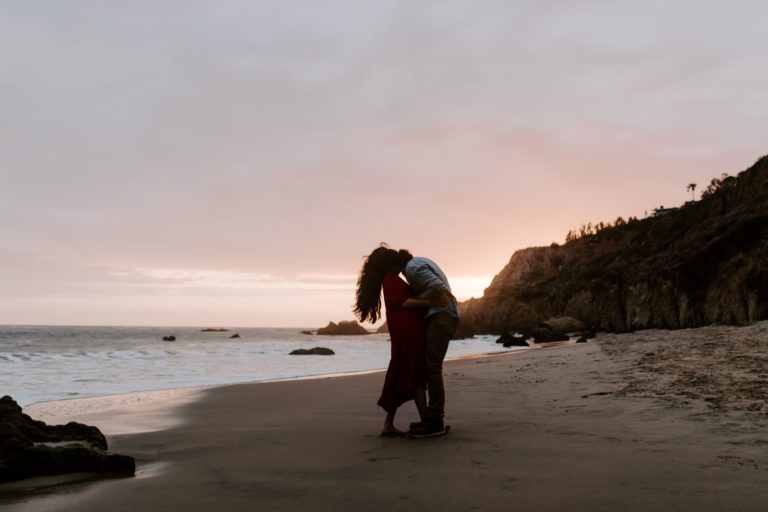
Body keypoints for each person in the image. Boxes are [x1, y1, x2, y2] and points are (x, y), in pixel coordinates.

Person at [354, 246, 448, 437]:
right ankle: (426, 422)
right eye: (397, 264)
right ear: (391, 266)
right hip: (408, 332)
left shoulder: (390, 280)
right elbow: (405, 303)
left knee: (401, 373)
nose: (400, 266)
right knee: (416, 376)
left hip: (403, 331)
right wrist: (433, 303)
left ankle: (389, 424)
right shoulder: (391, 280)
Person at [400, 250, 460, 437]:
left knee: (432, 366)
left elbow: (437, 286)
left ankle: (435, 420)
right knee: (432, 366)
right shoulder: (421, 261)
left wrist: (421, 301)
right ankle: (432, 418)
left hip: (441, 316)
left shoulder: (412, 268)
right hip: (444, 316)